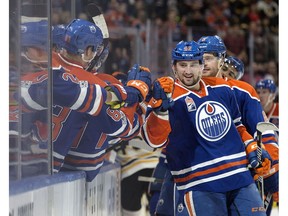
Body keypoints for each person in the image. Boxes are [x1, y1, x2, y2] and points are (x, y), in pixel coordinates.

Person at [142, 40, 271, 215]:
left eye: (194, 64)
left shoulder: (223, 89)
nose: (188, 71)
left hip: (240, 178)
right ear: (174, 67)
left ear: (201, 65)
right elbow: (153, 140)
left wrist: (252, 146)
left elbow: (237, 127)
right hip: (200, 184)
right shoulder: (166, 95)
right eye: (183, 65)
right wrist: (161, 111)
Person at [19, 19, 152, 181]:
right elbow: (121, 127)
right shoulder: (92, 84)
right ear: (89, 51)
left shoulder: (35, 76)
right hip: (48, 172)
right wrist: (135, 94)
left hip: (22, 165)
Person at [255, 79, 279, 216]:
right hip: (265, 164)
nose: (260, 95)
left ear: (273, 95)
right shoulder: (252, 110)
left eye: (265, 92)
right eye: (258, 92)